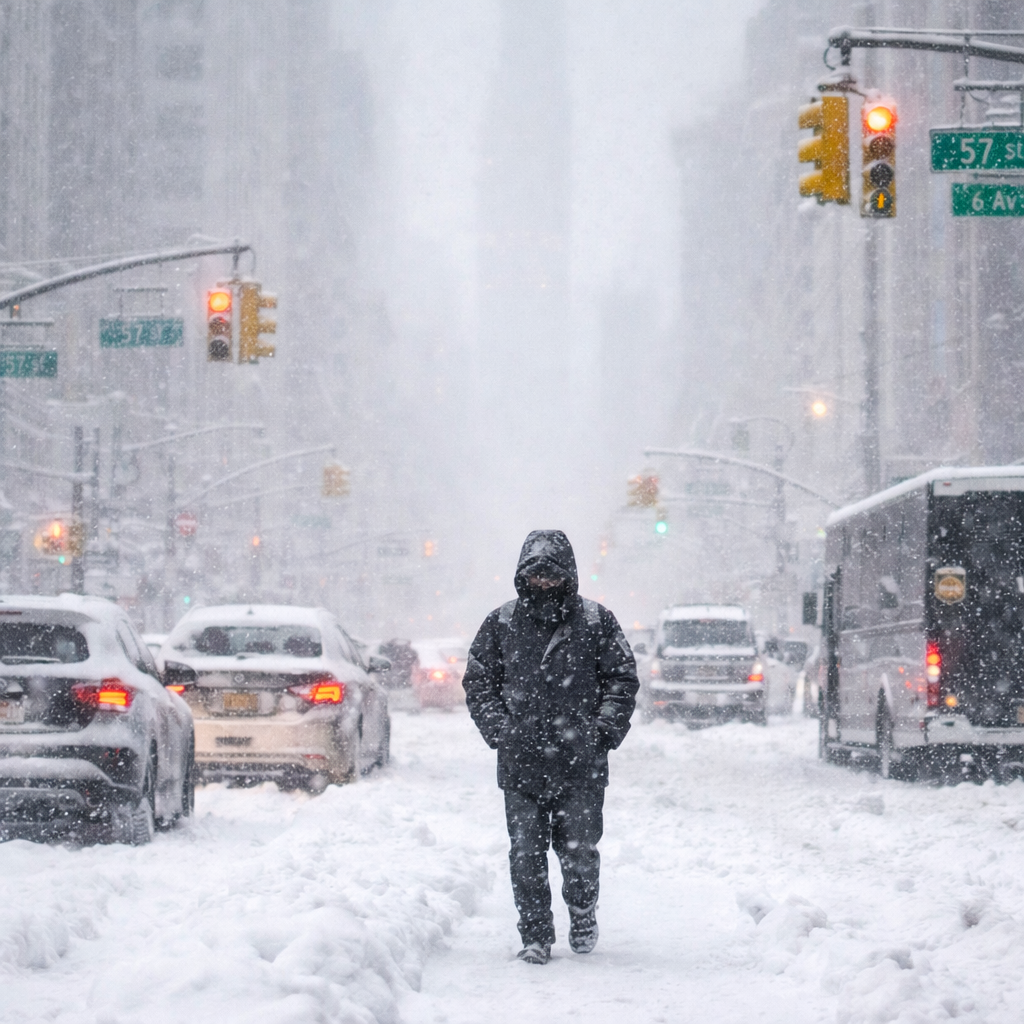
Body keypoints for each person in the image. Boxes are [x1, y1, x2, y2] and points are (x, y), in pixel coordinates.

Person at [463, 530, 638, 965]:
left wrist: (601, 731)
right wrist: (501, 729)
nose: (543, 583)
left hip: (580, 763)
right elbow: (479, 680)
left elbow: (622, 678)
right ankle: (536, 935)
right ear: (523, 576)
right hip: (521, 763)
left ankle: (582, 911)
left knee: (579, 850)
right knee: (526, 855)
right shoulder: (501, 623)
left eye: (551, 574)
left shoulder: (596, 621)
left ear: (568, 575)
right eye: (535, 575)